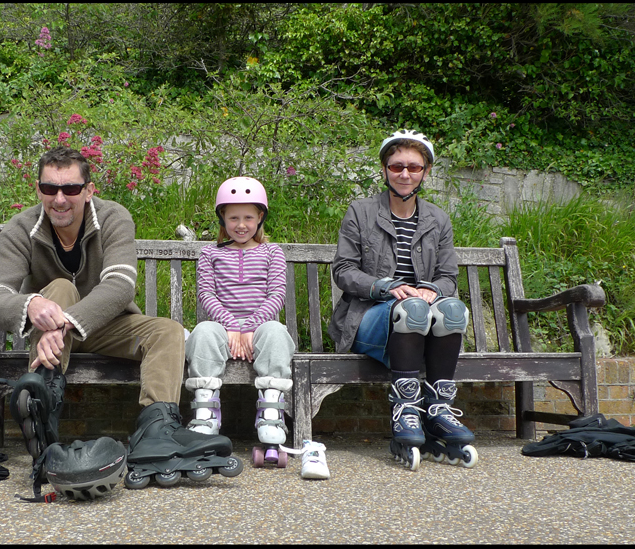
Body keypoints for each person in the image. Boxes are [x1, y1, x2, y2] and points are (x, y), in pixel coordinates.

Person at [0, 146, 242, 489]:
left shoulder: (114, 217)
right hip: (50, 339)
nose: (60, 199)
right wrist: (30, 306)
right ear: (38, 189)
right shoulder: (21, 229)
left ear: (89, 191)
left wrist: (64, 322)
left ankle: (157, 429)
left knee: (168, 331)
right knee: (57, 287)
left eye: (71, 189)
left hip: (99, 326)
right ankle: (43, 404)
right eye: (49, 188)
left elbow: (120, 286)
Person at [328, 129, 478, 470]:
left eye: (414, 167)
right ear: (384, 170)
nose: (405, 174)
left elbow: (448, 277)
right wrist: (385, 287)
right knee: (410, 308)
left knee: (452, 308)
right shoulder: (361, 211)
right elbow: (344, 270)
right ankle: (406, 411)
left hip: (419, 317)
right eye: (397, 167)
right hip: (369, 316)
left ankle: (438, 411)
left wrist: (433, 290)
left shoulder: (437, 218)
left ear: (425, 172)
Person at [184, 176, 328, 479]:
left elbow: (276, 294)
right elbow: (206, 295)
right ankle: (205, 415)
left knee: (276, 333)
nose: (241, 224)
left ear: (260, 216)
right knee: (203, 333)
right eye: (233, 217)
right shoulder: (210, 254)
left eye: (248, 217)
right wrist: (232, 327)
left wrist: (249, 326)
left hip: (258, 328)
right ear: (222, 216)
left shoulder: (272, 252)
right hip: (224, 328)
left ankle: (271, 415)